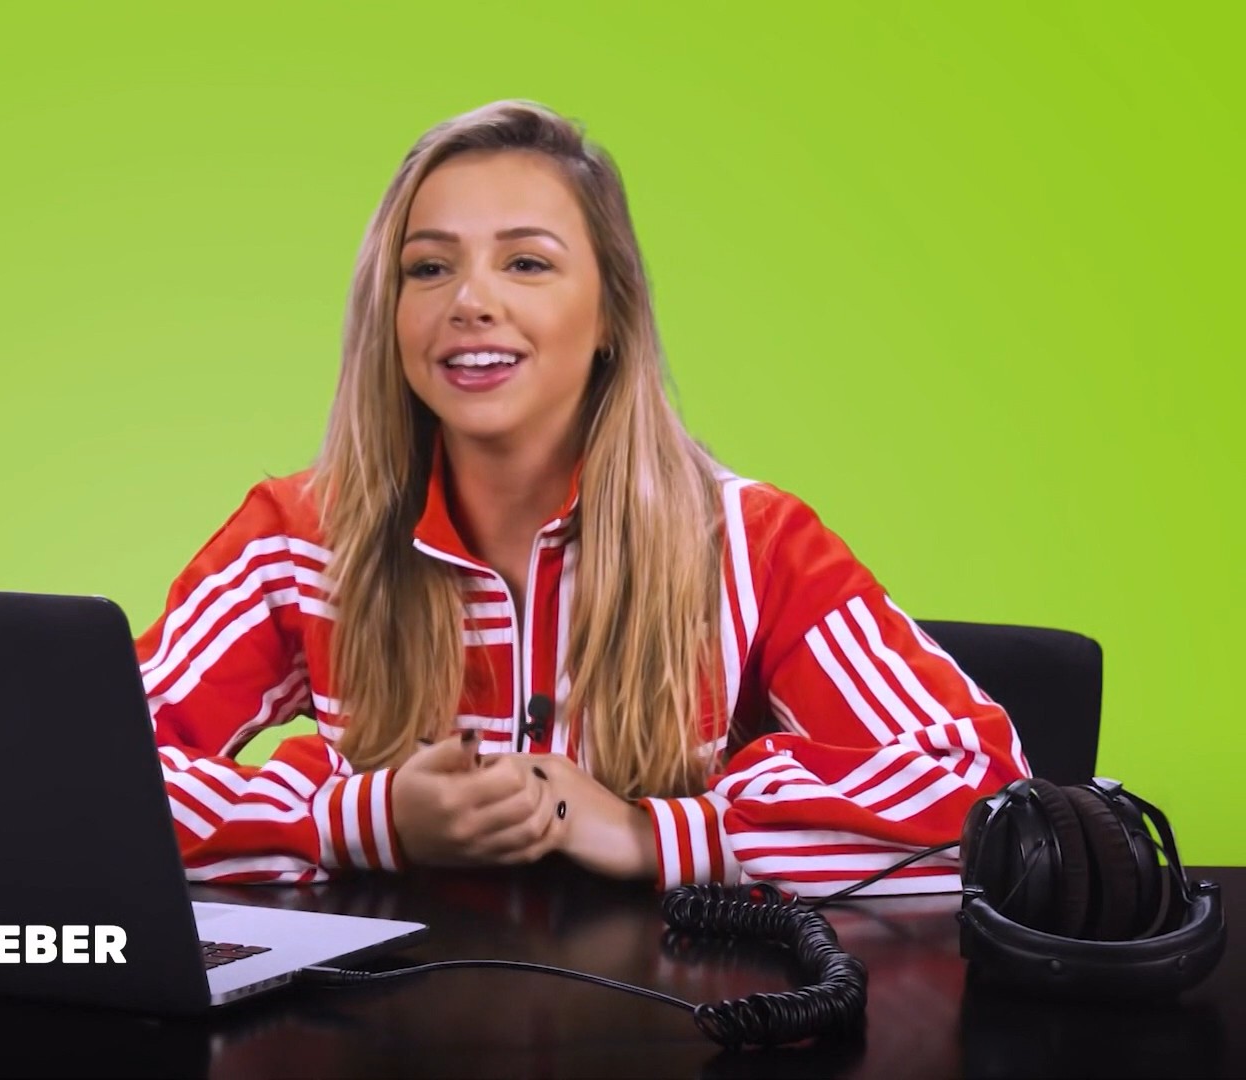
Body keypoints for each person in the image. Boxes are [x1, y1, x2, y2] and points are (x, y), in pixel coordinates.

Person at [137, 99, 1030, 895]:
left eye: (526, 263)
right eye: (429, 268)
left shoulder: (751, 545)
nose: (470, 301)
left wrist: (651, 834)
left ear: (610, 314)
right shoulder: (297, 538)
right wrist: (362, 820)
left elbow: (986, 791)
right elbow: (89, 776)